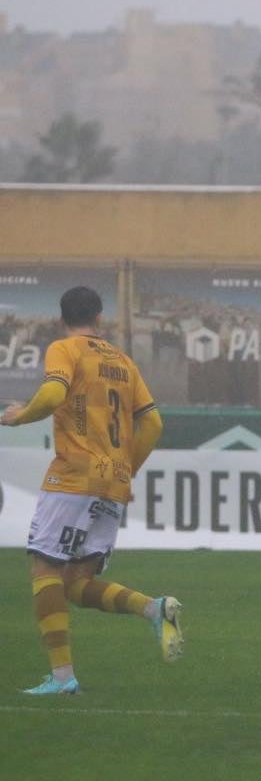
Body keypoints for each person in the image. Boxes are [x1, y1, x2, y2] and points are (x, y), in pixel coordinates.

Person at [2, 286, 182, 695]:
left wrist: (18, 417)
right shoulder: (123, 360)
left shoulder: (65, 349)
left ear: (61, 319)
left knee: (45, 568)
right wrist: (125, 471)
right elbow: (153, 424)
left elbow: (52, 393)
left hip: (73, 476)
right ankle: (154, 609)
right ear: (100, 319)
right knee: (76, 583)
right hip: (112, 481)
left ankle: (62, 678)